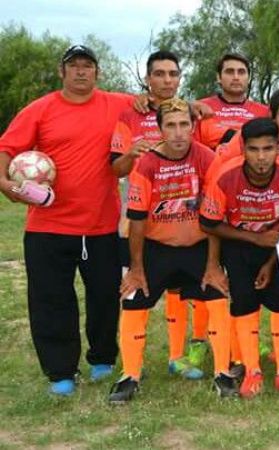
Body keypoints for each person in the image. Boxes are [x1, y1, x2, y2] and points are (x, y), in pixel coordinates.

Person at [0, 45, 134, 396]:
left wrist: (196, 106)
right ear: (62, 72)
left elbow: (156, 105)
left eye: (87, 66)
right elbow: (8, 148)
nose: (80, 72)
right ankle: (61, 372)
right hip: (48, 226)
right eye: (73, 66)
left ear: (97, 73)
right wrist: (5, 182)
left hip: (101, 225)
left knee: (105, 296)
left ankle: (102, 358)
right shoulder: (39, 110)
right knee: (51, 300)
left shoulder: (117, 104)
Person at [108, 98, 235, 404]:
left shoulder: (206, 158)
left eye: (184, 125)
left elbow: (214, 216)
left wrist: (214, 264)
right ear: (160, 128)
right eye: (171, 125)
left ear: (193, 126)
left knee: (217, 295)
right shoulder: (147, 163)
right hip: (155, 248)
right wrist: (136, 269)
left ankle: (223, 373)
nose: (178, 133)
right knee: (133, 298)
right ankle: (130, 376)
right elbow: (136, 220)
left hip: (198, 246)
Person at [110, 50, 208, 379]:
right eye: (159, 74)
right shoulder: (130, 114)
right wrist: (131, 155)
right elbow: (115, 168)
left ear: (180, 78)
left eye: (172, 74)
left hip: (186, 226)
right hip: (138, 226)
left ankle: (177, 357)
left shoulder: (190, 113)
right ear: (148, 79)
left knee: (179, 294)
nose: (167, 80)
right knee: (134, 293)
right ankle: (130, 371)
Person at [201, 117, 279, 397]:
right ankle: (251, 370)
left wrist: (271, 260)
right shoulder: (225, 176)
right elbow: (209, 224)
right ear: (243, 149)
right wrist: (251, 240)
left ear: (278, 148)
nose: (261, 157)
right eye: (253, 149)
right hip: (238, 243)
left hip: (276, 245)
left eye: (268, 148)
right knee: (244, 304)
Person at [195, 53, 270, 150]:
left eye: (241, 72)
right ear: (219, 77)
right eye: (230, 72)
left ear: (249, 78)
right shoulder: (201, 107)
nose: (236, 77)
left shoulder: (264, 112)